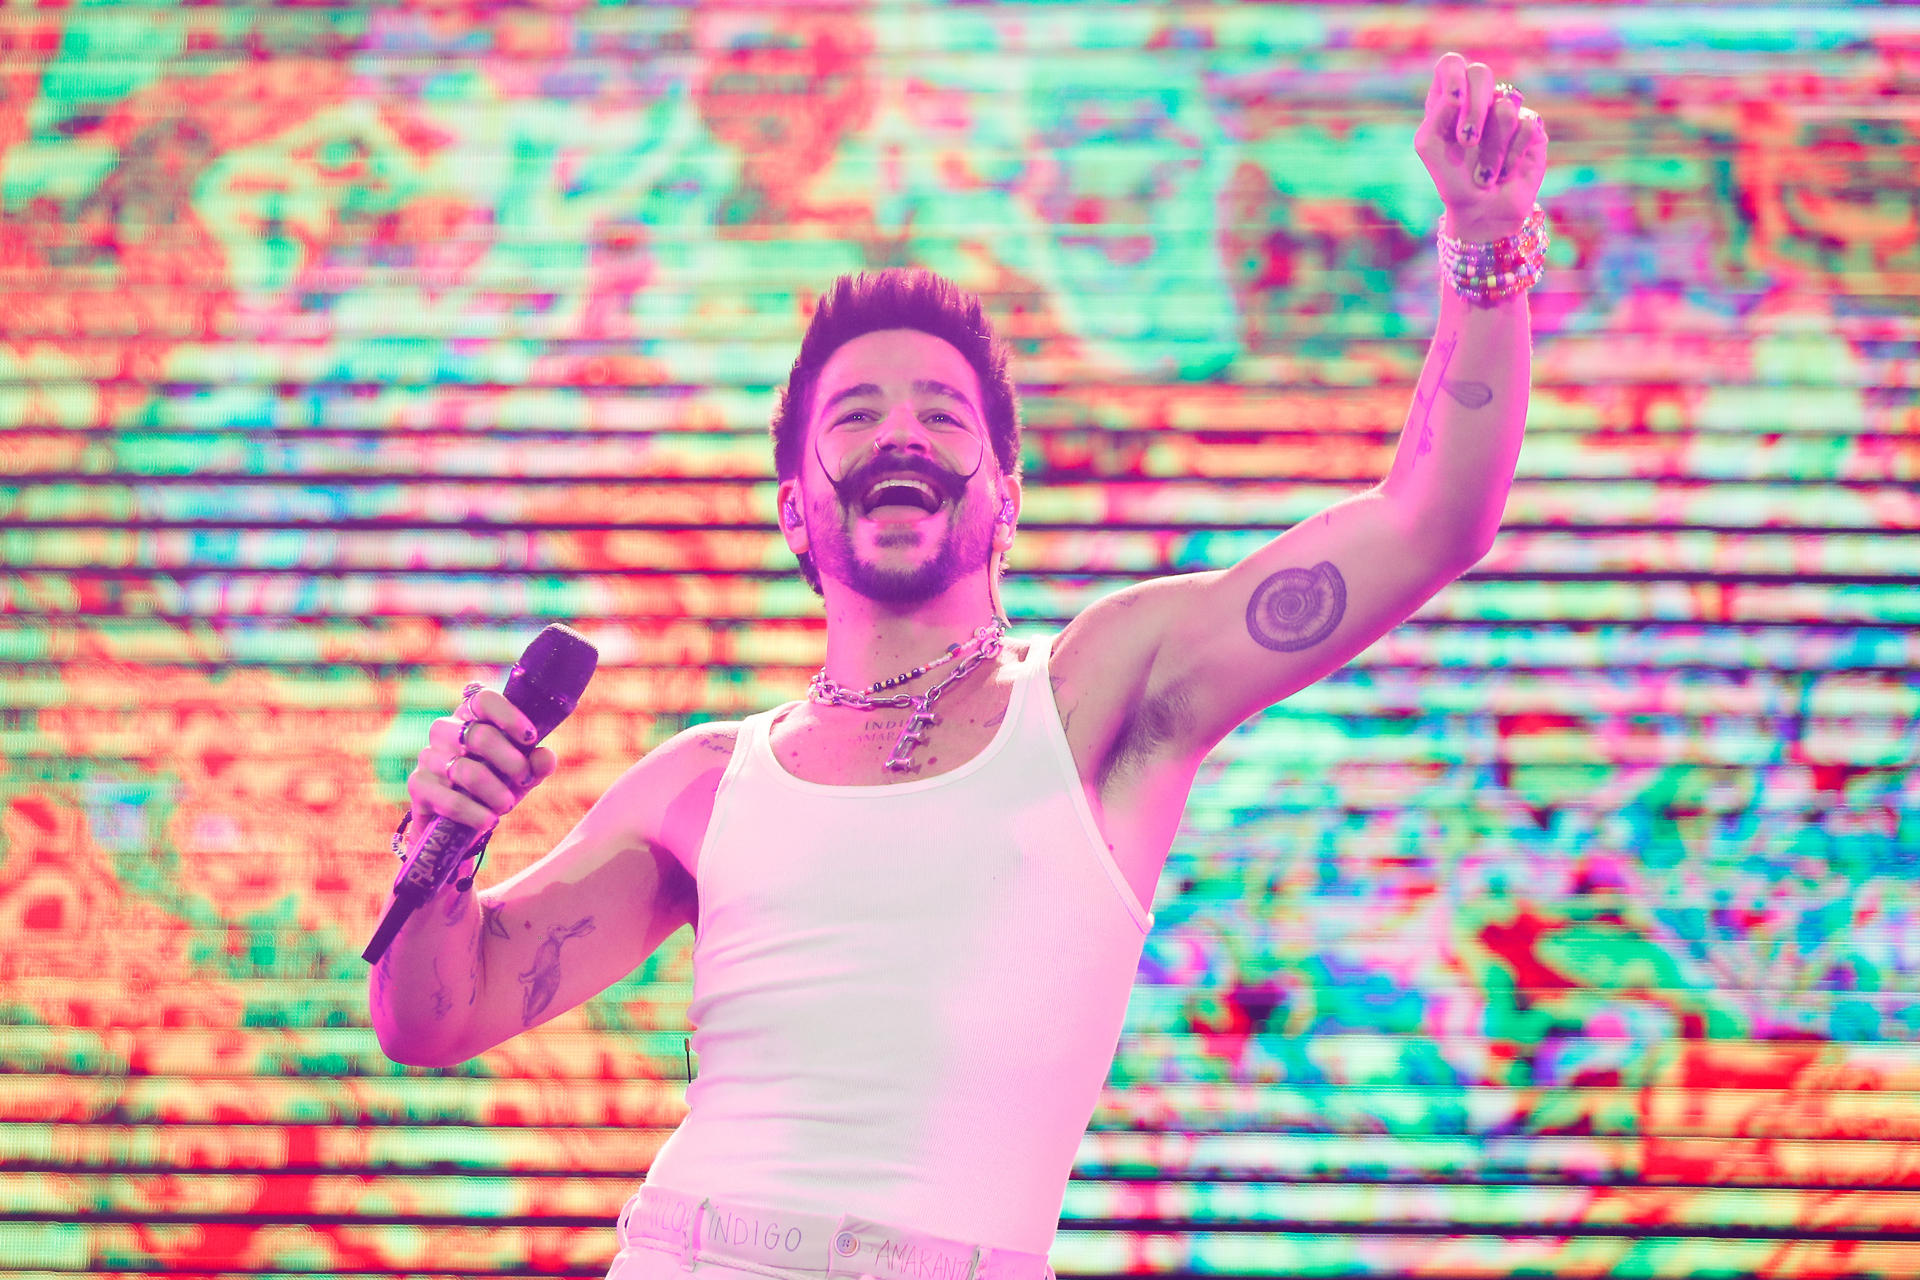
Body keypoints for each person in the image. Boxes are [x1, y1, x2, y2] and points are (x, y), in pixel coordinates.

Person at [368, 52, 1550, 1280]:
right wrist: (441, 843)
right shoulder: (703, 783)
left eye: (943, 414)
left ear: (1006, 493)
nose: (900, 435)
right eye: (854, 415)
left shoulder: (1102, 696)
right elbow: (441, 1014)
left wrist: (1485, 245)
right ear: (792, 507)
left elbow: (1431, 520)